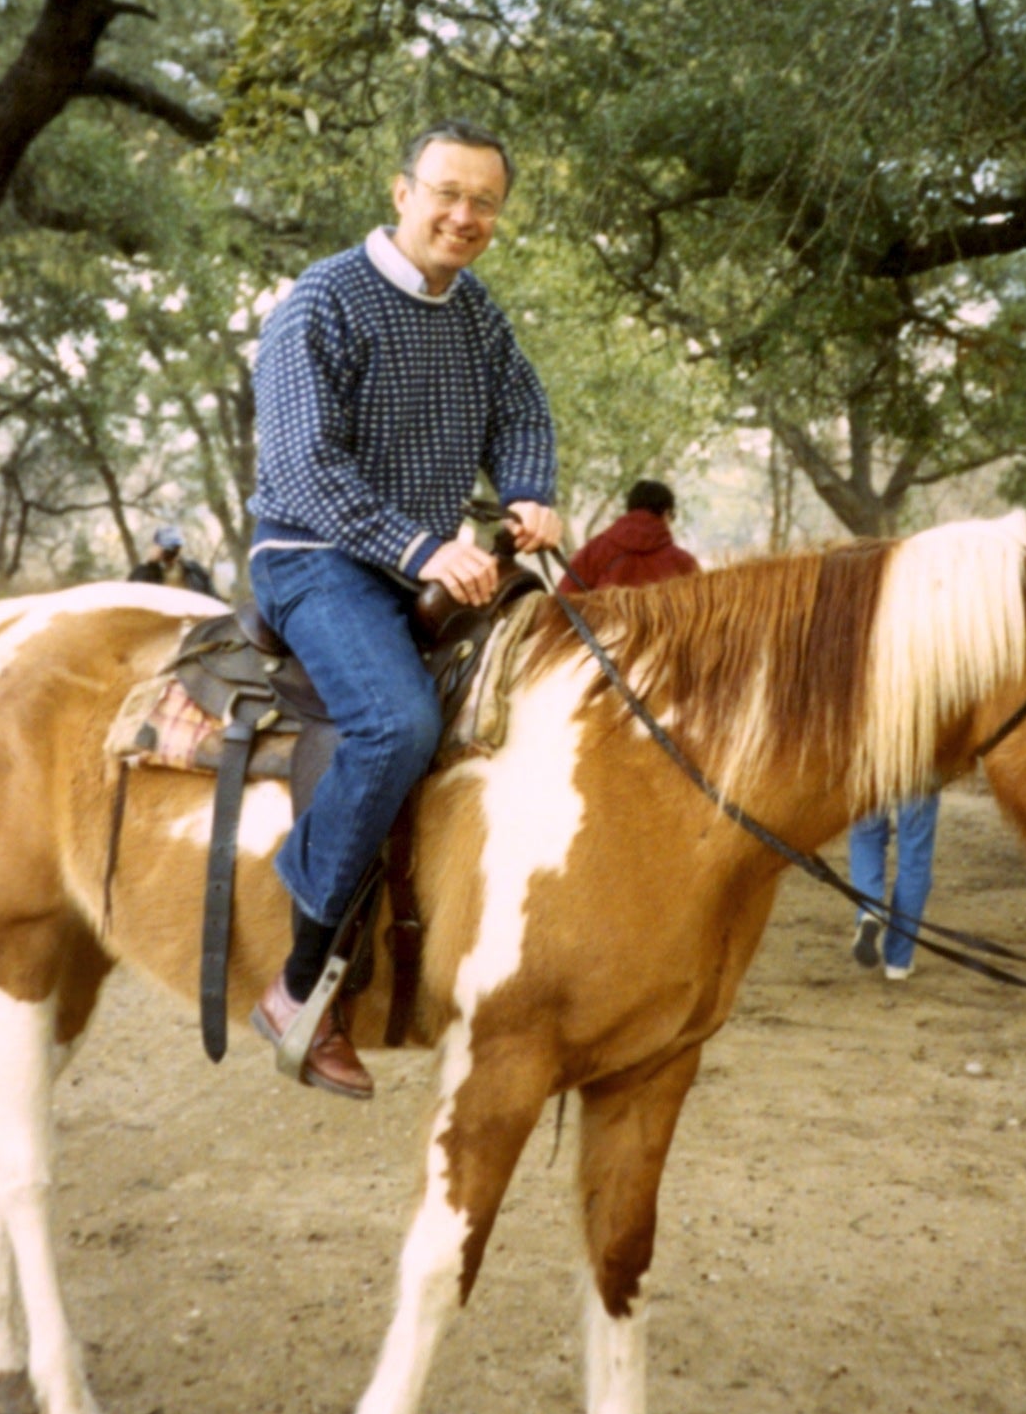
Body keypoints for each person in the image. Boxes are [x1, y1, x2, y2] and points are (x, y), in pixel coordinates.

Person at [247, 117, 562, 1097]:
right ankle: (300, 980)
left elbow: (521, 408)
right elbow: (301, 467)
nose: (463, 215)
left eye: (484, 202)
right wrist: (421, 544)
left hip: (423, 562)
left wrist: (526, 487)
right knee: (396, 723)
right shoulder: (320, 303)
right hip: (315, 557)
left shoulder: (475, 313)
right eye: (446, 192)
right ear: (400, 191)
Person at [848, 792, 941, 983]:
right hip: (921, 769)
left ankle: (870, 909)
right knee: (915, 857)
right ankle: (898, 962)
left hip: (869, 767)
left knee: (865, 836)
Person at [558, 478, 700, 592]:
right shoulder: (683, 564)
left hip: (604, 627)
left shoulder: (595, 551)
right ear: (666, 514)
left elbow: (564, 601)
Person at [129, 525, 214, 595]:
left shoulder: (194, 570)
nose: (172, 553)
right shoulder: (147, 572)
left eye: (176, 548)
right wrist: (151, 564)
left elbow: (213, 598)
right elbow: (133, 593)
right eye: (168, 549)